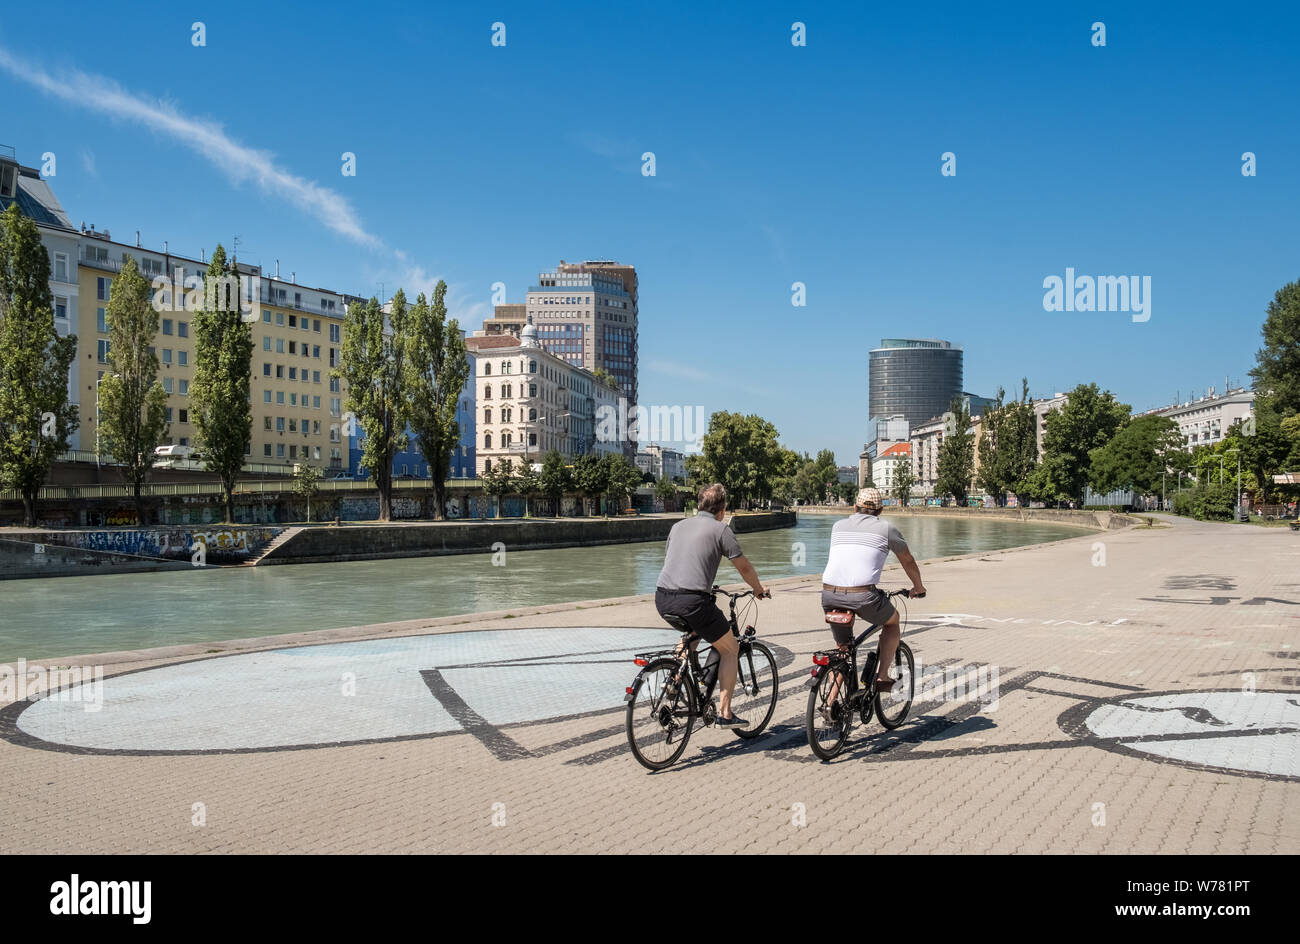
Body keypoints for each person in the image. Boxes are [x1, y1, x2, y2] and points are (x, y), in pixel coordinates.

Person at [655, 483, 769, 727]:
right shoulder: (721, 530)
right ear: (723, 509)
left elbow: (678, 561)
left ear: (699, 505)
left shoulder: (677, 526)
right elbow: (744, 567)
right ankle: (725, 714)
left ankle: (674, 678)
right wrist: (758, 589)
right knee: (730, 649)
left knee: (692, 632)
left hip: (663, 597)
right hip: (693, 601)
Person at [821, 487, 926, 691]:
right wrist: (918, 587)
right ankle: (882, 677)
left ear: (854, 507)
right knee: (892, 621)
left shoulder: (838, 526)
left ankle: (830, 703)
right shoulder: (887, 528)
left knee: (843, 650)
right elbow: (908, 561)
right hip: (862, 596)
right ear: (880, 511)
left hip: (828, 594)